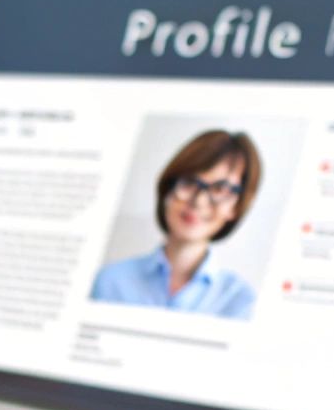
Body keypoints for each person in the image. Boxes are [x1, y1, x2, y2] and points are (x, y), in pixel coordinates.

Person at [91, 130, 262, 320]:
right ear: (168, 190)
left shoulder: (242, 304)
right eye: (189, 182)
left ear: (235, 208)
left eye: (220, 189)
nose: (198, 201)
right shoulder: (109, 282)